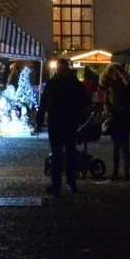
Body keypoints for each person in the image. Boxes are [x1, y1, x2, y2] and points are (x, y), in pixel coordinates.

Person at [42, 58, 89, 195]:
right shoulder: (73, 84)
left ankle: (61, 184)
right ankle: (66, 183)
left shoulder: (55, 84)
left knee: (62, 154)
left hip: (60, 122)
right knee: (66, 153)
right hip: (65, 122)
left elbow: (44, 102)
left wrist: (40, 120)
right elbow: (85, 101)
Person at [105, 68, 130, 181]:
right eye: (113, 74)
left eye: (116, 74)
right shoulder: (110, 87)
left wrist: (124, 109)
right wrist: (109, 110)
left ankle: (126, 172)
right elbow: (106, 101)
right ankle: (115, 172)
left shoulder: (127, 88)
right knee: (116, 147)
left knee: (124, 147)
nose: (115, 76)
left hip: (123, 119)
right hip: (114, 119)